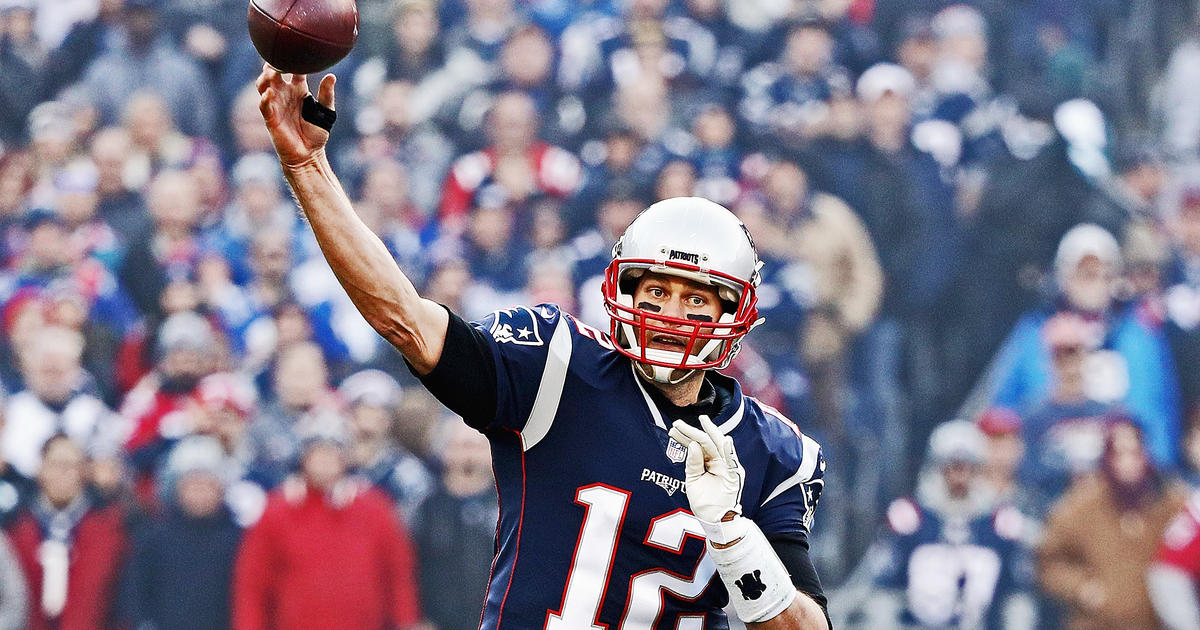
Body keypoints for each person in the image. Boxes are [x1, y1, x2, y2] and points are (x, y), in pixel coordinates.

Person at [255, 63, 829, 629]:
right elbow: (407, 320)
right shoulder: (558, 369)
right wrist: (307, 166)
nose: (671, 316)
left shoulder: (771, 451)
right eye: (656, 291)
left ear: (736, 313)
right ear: (622, 288)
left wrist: (733, 537)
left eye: (696, 300)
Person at [232, 416, 424, 630]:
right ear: (304, 457)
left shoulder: (375, 509)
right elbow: (252, 583)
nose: (324, 458)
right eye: (317, 451)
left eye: (332, 451)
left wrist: (406, 622)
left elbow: (398, 573)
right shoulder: (277, 511)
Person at [866, 420, 1035, 630]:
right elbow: (884, 592)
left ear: (979, 469)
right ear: (937, 467)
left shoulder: (1000, 522)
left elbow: (1016, 597)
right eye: (952, 466)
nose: (959, 476)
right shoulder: (910, 517)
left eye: (966, 467)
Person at [1037, 418, 1186, 630]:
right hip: (1098, 622)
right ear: (1107, 457)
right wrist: (1080, 587)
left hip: (1157, 622)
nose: (1128, 463)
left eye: (1134, 453)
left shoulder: (1171, 504)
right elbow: (1048, 562)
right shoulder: (1081, 507)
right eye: (1119, 454)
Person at [7, 434, 129, 630]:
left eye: (71, 466)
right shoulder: (14, 529)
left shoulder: (111, 529)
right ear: (41, 469)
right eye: (55, 464)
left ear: (83, 472)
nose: (63, 473)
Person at [121, 436, 241, 630]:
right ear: (176, 487)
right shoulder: (154, 538)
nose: (199, 491)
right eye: (192, 483)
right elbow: (136, 593)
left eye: (207, 483)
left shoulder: (237, 540)